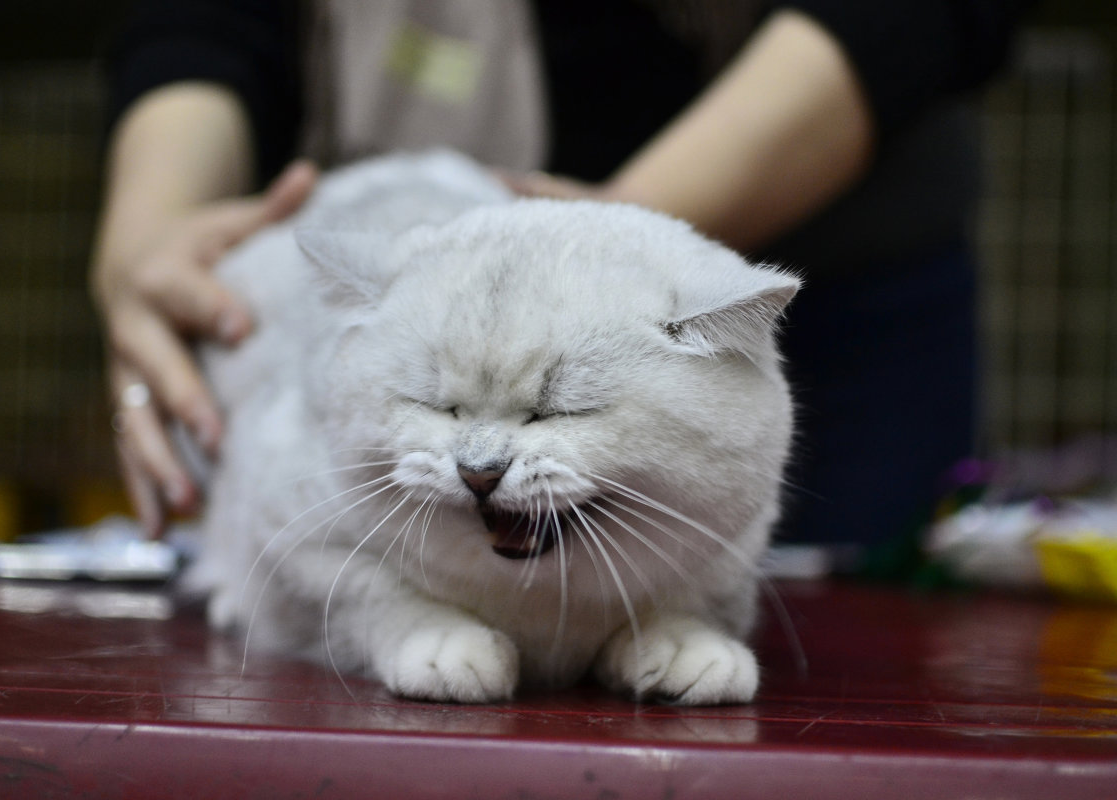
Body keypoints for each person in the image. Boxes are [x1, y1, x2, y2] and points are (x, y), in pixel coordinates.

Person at [92, 0, 1030, 560]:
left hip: (815, 266)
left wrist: (615, 241)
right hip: (433, 278)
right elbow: (203, 21)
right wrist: (144, 240)